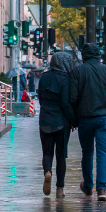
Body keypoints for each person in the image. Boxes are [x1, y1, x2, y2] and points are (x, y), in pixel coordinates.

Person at [69, 43, 106, 201]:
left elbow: (72, 98)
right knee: (102, 152)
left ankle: (88, 186)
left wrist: (74, 118)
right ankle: (102, 189)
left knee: (87, 153)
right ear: (99, 55)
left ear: (84, 56)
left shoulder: (77, 71)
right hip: (103, 118)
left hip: (84, 118)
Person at [38, 52, 75, 199]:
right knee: (61, 155)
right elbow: (66, 103)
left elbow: (40, 99)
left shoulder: (44, 77)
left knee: (47, 152)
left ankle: (48, 171)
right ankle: (60, 188)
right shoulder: (65, 79)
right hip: (61, 121)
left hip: (45, 119)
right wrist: (73, 120)